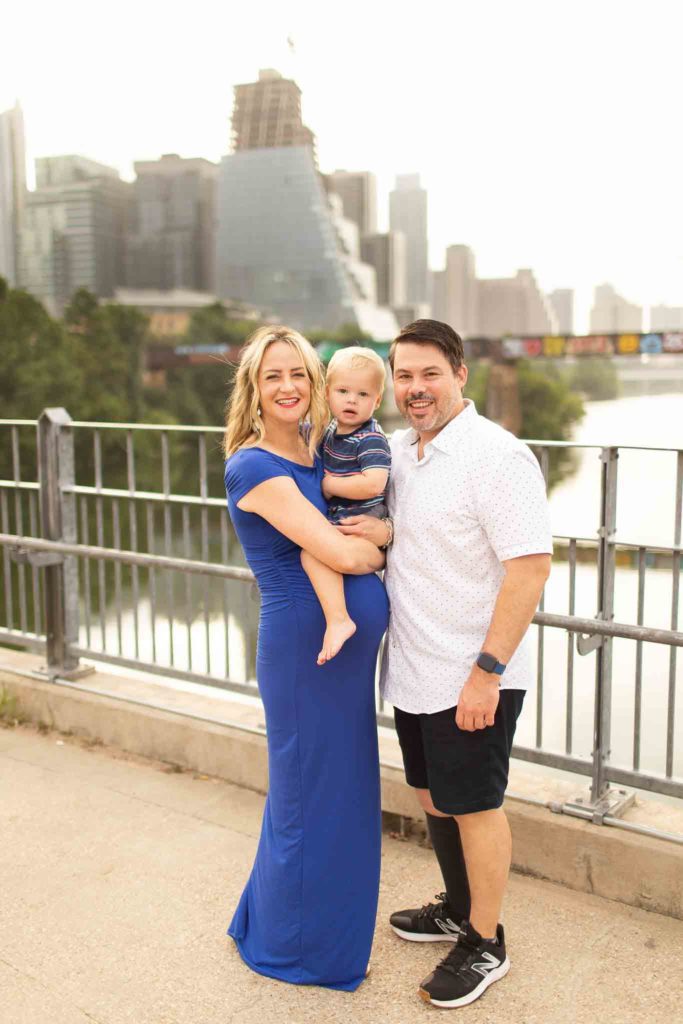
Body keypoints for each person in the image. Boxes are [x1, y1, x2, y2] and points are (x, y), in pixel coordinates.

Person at [337, 319, 552, 1009]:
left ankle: (485, 943)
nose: (414, 388)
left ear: (460, 374)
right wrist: (383, 531)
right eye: (403, 375)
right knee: (433, 799)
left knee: (475, 805)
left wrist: (486, 671)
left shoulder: (497, 456)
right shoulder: (400, 451)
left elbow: (529, 570)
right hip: (415, 667)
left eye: (429, 373)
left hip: (473, 672)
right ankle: (458, 908)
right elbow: (419, 536)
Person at [222, 325, 390, 991]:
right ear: (255, 391)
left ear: (314, 384)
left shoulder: (315, 455)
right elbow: (346, 555)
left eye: (299, 374)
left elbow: (359, 517)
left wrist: (382, 528)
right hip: (304, 654)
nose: (288, 386)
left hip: (339, 662)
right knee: (306, 799)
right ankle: (293, 949)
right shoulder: (256, 466)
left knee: (339, 795)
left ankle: (290, 926)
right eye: (273, 376)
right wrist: (378, 546)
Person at [301, 346, 392, 665]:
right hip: (344, 532)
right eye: (343, 391)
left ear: (377, 401)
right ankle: (337, 618)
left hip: (362, 536)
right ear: (327, 393)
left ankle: (339, 619)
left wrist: (329, 485)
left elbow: (374, 483)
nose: (351, 400)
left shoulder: (370, 439)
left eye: (363, 394)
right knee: (315, 552)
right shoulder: (328, 433)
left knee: (311, 553)